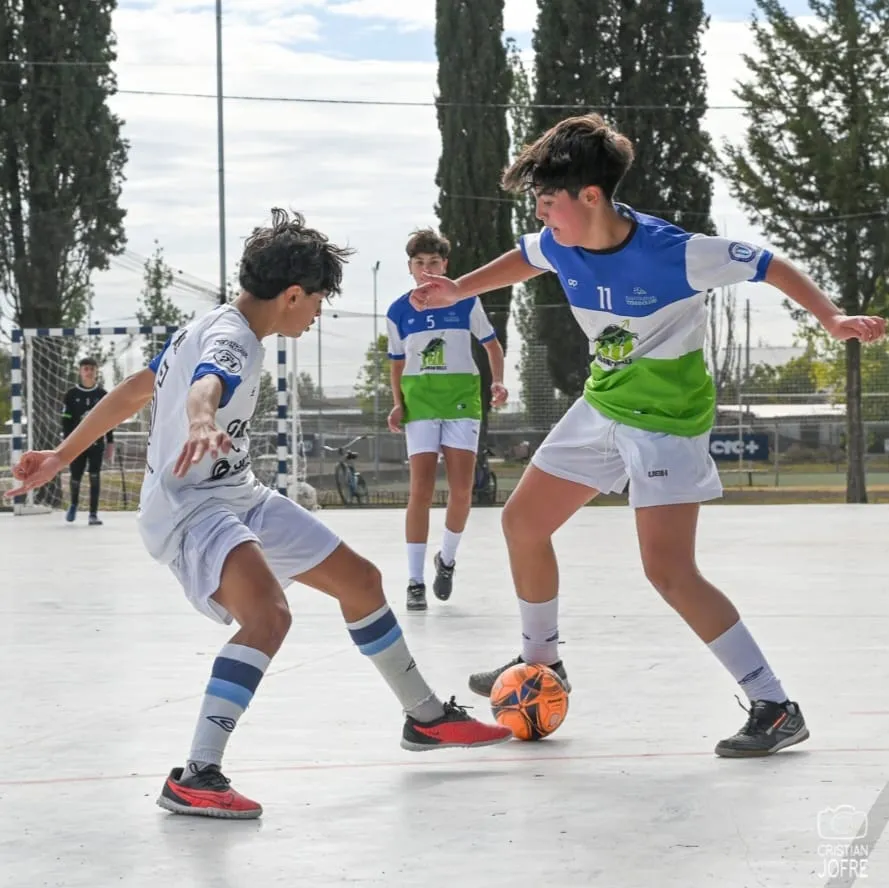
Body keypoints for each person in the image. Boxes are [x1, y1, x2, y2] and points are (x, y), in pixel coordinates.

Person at [7, 209, 512, 820]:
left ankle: (424, 718)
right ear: (293, 294)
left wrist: (62, 455)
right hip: (191, 509)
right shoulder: (234, 341)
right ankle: (196, 775)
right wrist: (200, 418)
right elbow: (206, 386)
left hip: (238, 492)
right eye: (318, 300)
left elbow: (139, 388)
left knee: (361, 581)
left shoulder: (210, 324)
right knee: (268, 616)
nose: (318, 313)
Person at [410, 113, 887, 758]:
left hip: (666, 423)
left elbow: (767, 264)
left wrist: (830, 318)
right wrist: (458, 289)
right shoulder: (559, 242)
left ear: (591, 196)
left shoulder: (677, 253)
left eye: (549, 203)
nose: (542, 217)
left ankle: (775, 705)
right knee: (523, 523)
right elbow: (524, 258)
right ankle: (542, 662)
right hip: (603, 405)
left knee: (669, 570)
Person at [386, 228, 507, 611]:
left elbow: (492, 345)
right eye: (419, 263)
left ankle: (447, 559)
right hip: (420, 404)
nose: (427, 270)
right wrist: (397, 403)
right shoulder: (398, 311)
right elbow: (396, 363)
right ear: (410, 267)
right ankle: (415, 581)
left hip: (461, 401)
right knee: (420, 491)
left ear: (445, 266)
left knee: (462, 490)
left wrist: (498, 381)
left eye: (434, 263)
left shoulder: (465, 300)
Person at [61, 357, 115, 525]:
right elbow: (66, 421)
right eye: (85, 368)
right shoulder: (71, 394)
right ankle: (73, 505)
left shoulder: (102, 395)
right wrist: (67, 443)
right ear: (80, 371)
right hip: (77, 444)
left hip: (96, 443)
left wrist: (110, 442)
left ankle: (93, 514)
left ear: (96, 371)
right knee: (76, 476)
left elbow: (108, 420)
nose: (89, 372)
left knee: (95, 476)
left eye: (92, 369)